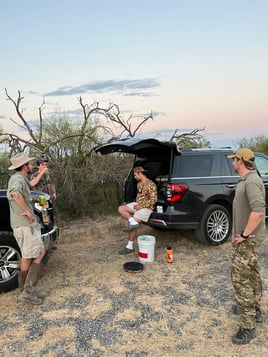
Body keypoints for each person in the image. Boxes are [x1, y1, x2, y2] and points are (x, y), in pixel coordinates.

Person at [227, 148, 266, 344]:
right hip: (248, 239)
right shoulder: (246, 180)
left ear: (240, 161)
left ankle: (248, 326)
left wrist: (244, 234)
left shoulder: (251, 181)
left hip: (248, 240)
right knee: (252, 274)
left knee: (240, 279)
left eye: (234, 160)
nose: (232, 163)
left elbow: (258, 211)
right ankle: (255, 309)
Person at [7, 152, 47, 305]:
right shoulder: (17, 179)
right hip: (24, 224)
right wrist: (26, 210)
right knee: (28, 255)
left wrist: (41, 172)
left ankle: (27, 289)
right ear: (24, 166)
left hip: (28, 225)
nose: (32, 166)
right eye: (30, 164)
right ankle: (26, 292)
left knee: (38, 252)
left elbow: (30, 185)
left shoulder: (21, 178)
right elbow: (15, 194)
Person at [118, 166, 157, 254]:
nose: (134, 177)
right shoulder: (139, 183)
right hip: (138, 205)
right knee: (121, 209)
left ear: (140, 173)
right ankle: (133, 221)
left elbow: (153, 200)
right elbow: (139, 197)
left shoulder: (151, 185)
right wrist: (137, 205)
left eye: (135, 175)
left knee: (133, 221)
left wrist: (141, 206)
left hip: (147, 207)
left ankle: (129, 246)